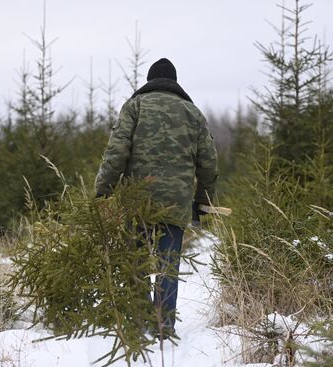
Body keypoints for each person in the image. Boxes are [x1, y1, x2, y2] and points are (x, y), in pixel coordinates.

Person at [94, 57, 218, 338]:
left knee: (134, 260)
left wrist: (102, 192)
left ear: (149, 81)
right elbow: (209, 163)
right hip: (176, 202)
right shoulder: (192, 113)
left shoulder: (135, 106)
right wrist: (204, 202)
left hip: (137, 199)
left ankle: (137, 323)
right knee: (167, 263)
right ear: (175, 84)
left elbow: (116, 153)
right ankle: (163, 326)